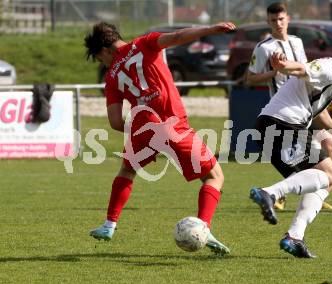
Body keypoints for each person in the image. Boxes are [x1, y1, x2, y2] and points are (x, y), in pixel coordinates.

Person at [84, 21, 236, 255]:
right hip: (170, 123)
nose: (102, 63)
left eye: (98, 59)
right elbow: (177, 36)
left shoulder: (111, 77)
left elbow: (115, 122)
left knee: (127, 171)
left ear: (104, 50)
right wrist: (210, 29)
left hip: (142, 128)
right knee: (214, 176)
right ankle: (204, 226)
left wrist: (140, 130)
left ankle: (109, 225)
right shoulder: (144, 43)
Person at [249, 42, 332, 258]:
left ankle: (294, 237)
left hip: (274, 126)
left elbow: (316, 110)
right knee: (331, 173)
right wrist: (283, 66)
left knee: (326, 179)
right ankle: (270, 193)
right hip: (282, 124)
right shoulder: (330, 68)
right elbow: (303, 69)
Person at [246, 2, 332, 211]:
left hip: (307, 106)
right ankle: (285, 194)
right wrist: (274, 72)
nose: (278, 24)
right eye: (273, 21)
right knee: (295, 157)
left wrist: (327, 95)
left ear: (288, 18)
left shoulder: (297, 42)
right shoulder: (264, 48)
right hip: (286, 112)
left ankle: (316, 194)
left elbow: (309, 74)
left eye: (281, 19)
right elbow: (249, 79)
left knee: (330, 145)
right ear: (268, 22)